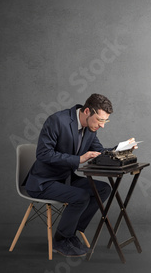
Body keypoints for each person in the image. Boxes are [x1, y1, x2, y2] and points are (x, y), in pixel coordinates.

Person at [24, 93, 137, 257]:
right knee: (81, 196)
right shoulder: (57, 121)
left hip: (66, 179)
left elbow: (100, 152)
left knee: (103, 189)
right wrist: (78, 159)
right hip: (43, 181)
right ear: (86, 111)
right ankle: (60, 239)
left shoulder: (90, 129)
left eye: (105, 121)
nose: (102, 125)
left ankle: (71, 233)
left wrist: (121, 149)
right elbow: (43, 154)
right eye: (100, 120)